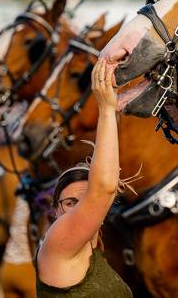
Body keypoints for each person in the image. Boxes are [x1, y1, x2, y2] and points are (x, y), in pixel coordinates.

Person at [35, 58, 133, 297]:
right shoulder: (57, 242)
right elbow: (102, 190)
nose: (81, 208)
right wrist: (107, 109)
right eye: (70, 203)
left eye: (85, 200)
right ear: (56, 211)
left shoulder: (95, 251)